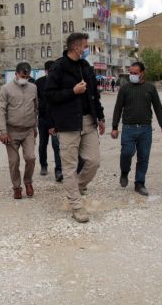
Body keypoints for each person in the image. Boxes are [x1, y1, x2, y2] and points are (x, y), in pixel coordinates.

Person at [46, 33, 106, 223]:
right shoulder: (58, 67)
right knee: (69, 167)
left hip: (88, 121)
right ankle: (77, 206)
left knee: (94, 161)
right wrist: (72, 91)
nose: (87, 48)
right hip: (67, 124)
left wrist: (101, 115)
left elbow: (94, 94)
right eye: (85, 46)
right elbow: (49, 96)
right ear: (75, 47)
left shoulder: (85, 66)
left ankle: (75, 188)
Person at [110, 62, 162, 196]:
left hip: (145, 129)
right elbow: (118, 108)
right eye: (131, 73)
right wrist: (114, 127)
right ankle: (124, 172)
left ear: (142, 73)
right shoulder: (125, 88)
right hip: (128, 129)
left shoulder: (150, 88)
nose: (132, 75)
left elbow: (158, 107)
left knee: (143, 157)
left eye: (135, 73)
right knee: (126, 153)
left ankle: (139, 183)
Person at [0, 62, 38, 199]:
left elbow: (35, 109)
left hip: (28, 130)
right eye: (22, 76)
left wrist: (35, 127)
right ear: (16, 74)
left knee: (31, 157)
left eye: (27, 77)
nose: (25, 79)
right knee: (14, 161)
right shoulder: (6, 89)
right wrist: (3, 131)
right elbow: (1, 111)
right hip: (11, 131)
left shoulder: (33, 88)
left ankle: (28, 182)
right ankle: (17, 186)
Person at [35, 60, 62, 180]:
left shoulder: (59, 82)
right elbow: (35, 101)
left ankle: (59, 170)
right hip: (43, 119)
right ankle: (43, 165)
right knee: (42, 144)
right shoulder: (39, 83)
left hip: (56, 119)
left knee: (56, 144)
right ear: (46, 71)